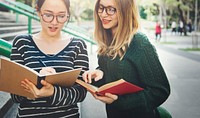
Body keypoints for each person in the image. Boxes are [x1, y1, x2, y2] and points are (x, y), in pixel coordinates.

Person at [82, 0, 170, 118]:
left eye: (111, 9)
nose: (103, 14)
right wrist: (99, 73)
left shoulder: (139, 43)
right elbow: (112, 75)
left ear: (125, 11)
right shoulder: (107, 40)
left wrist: (120, 101)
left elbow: (160, 91)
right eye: (101, 8)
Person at [10, 0, 89, 117]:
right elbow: (15, 95)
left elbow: (81, 93)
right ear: (38, 11)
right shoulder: (21, 43)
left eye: (61, 16)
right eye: (48, 15)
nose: (54, 22)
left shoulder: (78, 45)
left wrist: (53, 91)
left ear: (68, 15)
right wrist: (37, 81)